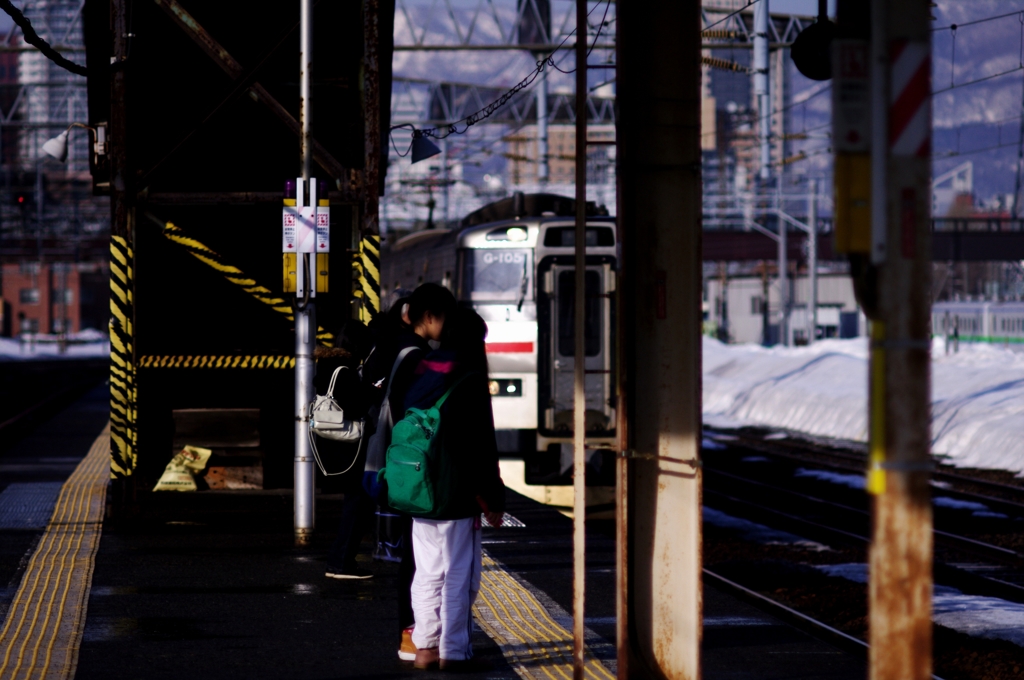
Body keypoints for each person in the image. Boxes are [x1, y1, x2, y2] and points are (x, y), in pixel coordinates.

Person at [403, 307, 506, 671]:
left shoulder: (426, 367)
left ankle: (425, 647)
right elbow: (480, 445)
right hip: (456, 493)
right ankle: (453, 649)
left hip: (419, 487)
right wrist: (493, 498)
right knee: (458, 572)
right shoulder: (471, 376)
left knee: (427, 570)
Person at [361, 284, 457, 661]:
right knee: (419, 561)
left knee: (413, 558)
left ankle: (411, 635)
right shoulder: (417, 355)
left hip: (394, 461)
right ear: (431, 317)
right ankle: (413, 635)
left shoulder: (397, 347)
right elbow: (414, 412)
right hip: (411, 464)